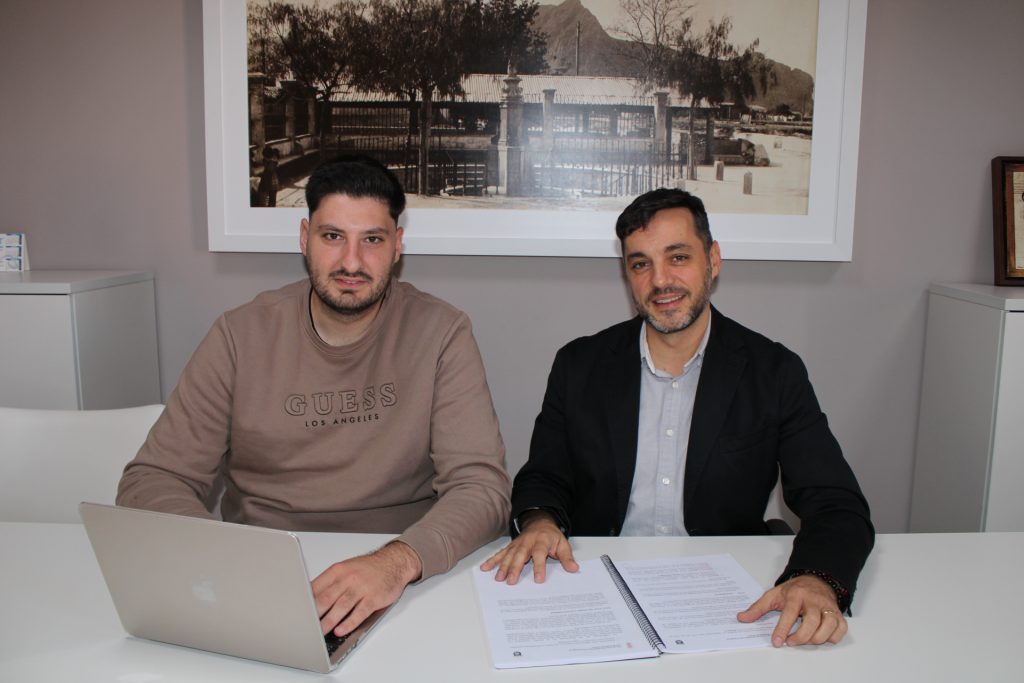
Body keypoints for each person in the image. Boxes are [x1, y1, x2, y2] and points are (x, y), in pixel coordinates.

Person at [118, 154, 511, 639]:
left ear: (397, 246)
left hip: (404, 575)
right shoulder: (240, 335)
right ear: (304, 238)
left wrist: (397, 561)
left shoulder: (442, 332)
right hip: (262, 572)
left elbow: (482, 488)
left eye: (372, 240)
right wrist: (223, 558)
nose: (351, 262)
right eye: (332, 237)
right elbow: (153, 479)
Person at [482, 188, 873, 648]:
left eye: (678, 257)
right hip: (597, 584)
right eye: (640, 264)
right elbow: (545, 476)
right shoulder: (579, 365)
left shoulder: (773, 372)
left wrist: (815, 578)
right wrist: (540, 523)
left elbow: (836, 503)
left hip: (725, 596)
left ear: (713, 260)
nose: (660, 280)